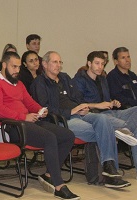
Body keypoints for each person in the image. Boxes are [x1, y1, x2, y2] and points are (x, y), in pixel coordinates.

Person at [0, 51, 79, 200]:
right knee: (49, 138)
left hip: (27, 122)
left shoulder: (19, 83)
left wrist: (40, 109)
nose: (16, 71)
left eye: (18, 67)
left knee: (67, 136)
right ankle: (59, 185)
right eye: (13, 67)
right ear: (4, 65)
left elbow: (29, 103)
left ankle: (49, 175)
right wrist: (23, 117)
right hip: (10, 126)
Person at [30, 51, 130, 189]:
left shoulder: (65, 78)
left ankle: (109, 165)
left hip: (80, 113)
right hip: (64, 120)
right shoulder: (39, 83)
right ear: (45, 64)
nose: (58, 65)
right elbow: (44, 109)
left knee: (102, 119)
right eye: (55, 62)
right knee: (105, 131)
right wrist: (70, 111)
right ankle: (112, 172)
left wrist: (82, 106)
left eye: (60, 62)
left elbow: (77, 97)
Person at [72, 51, 137, 183]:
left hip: (108, 112)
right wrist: (98, 105)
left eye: (102, 64)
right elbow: (78, 105)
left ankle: (123, 131)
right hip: (93, 115)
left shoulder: (102, 79)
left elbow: (106, 101)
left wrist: (113, 103)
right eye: (97, 63)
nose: (100, 67)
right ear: (89, 63)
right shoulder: (79, 80)